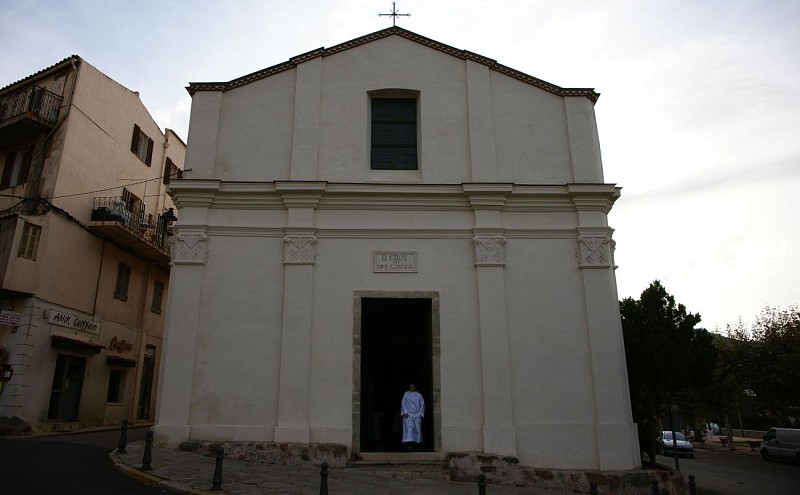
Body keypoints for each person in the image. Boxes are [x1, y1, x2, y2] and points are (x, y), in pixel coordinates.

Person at [401, 382, 424, 451]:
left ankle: (416, 445)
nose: (411, 388)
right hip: (408, 415)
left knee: (417, 430)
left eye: (412, 386)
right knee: (409, 430)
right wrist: (405, 412)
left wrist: (420, 413)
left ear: (415, 387)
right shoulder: (406, 394)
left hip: (416, 415)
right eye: (410, 386)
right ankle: (409, 445)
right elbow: (403, 403)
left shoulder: (419, 395)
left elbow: (422, 405)